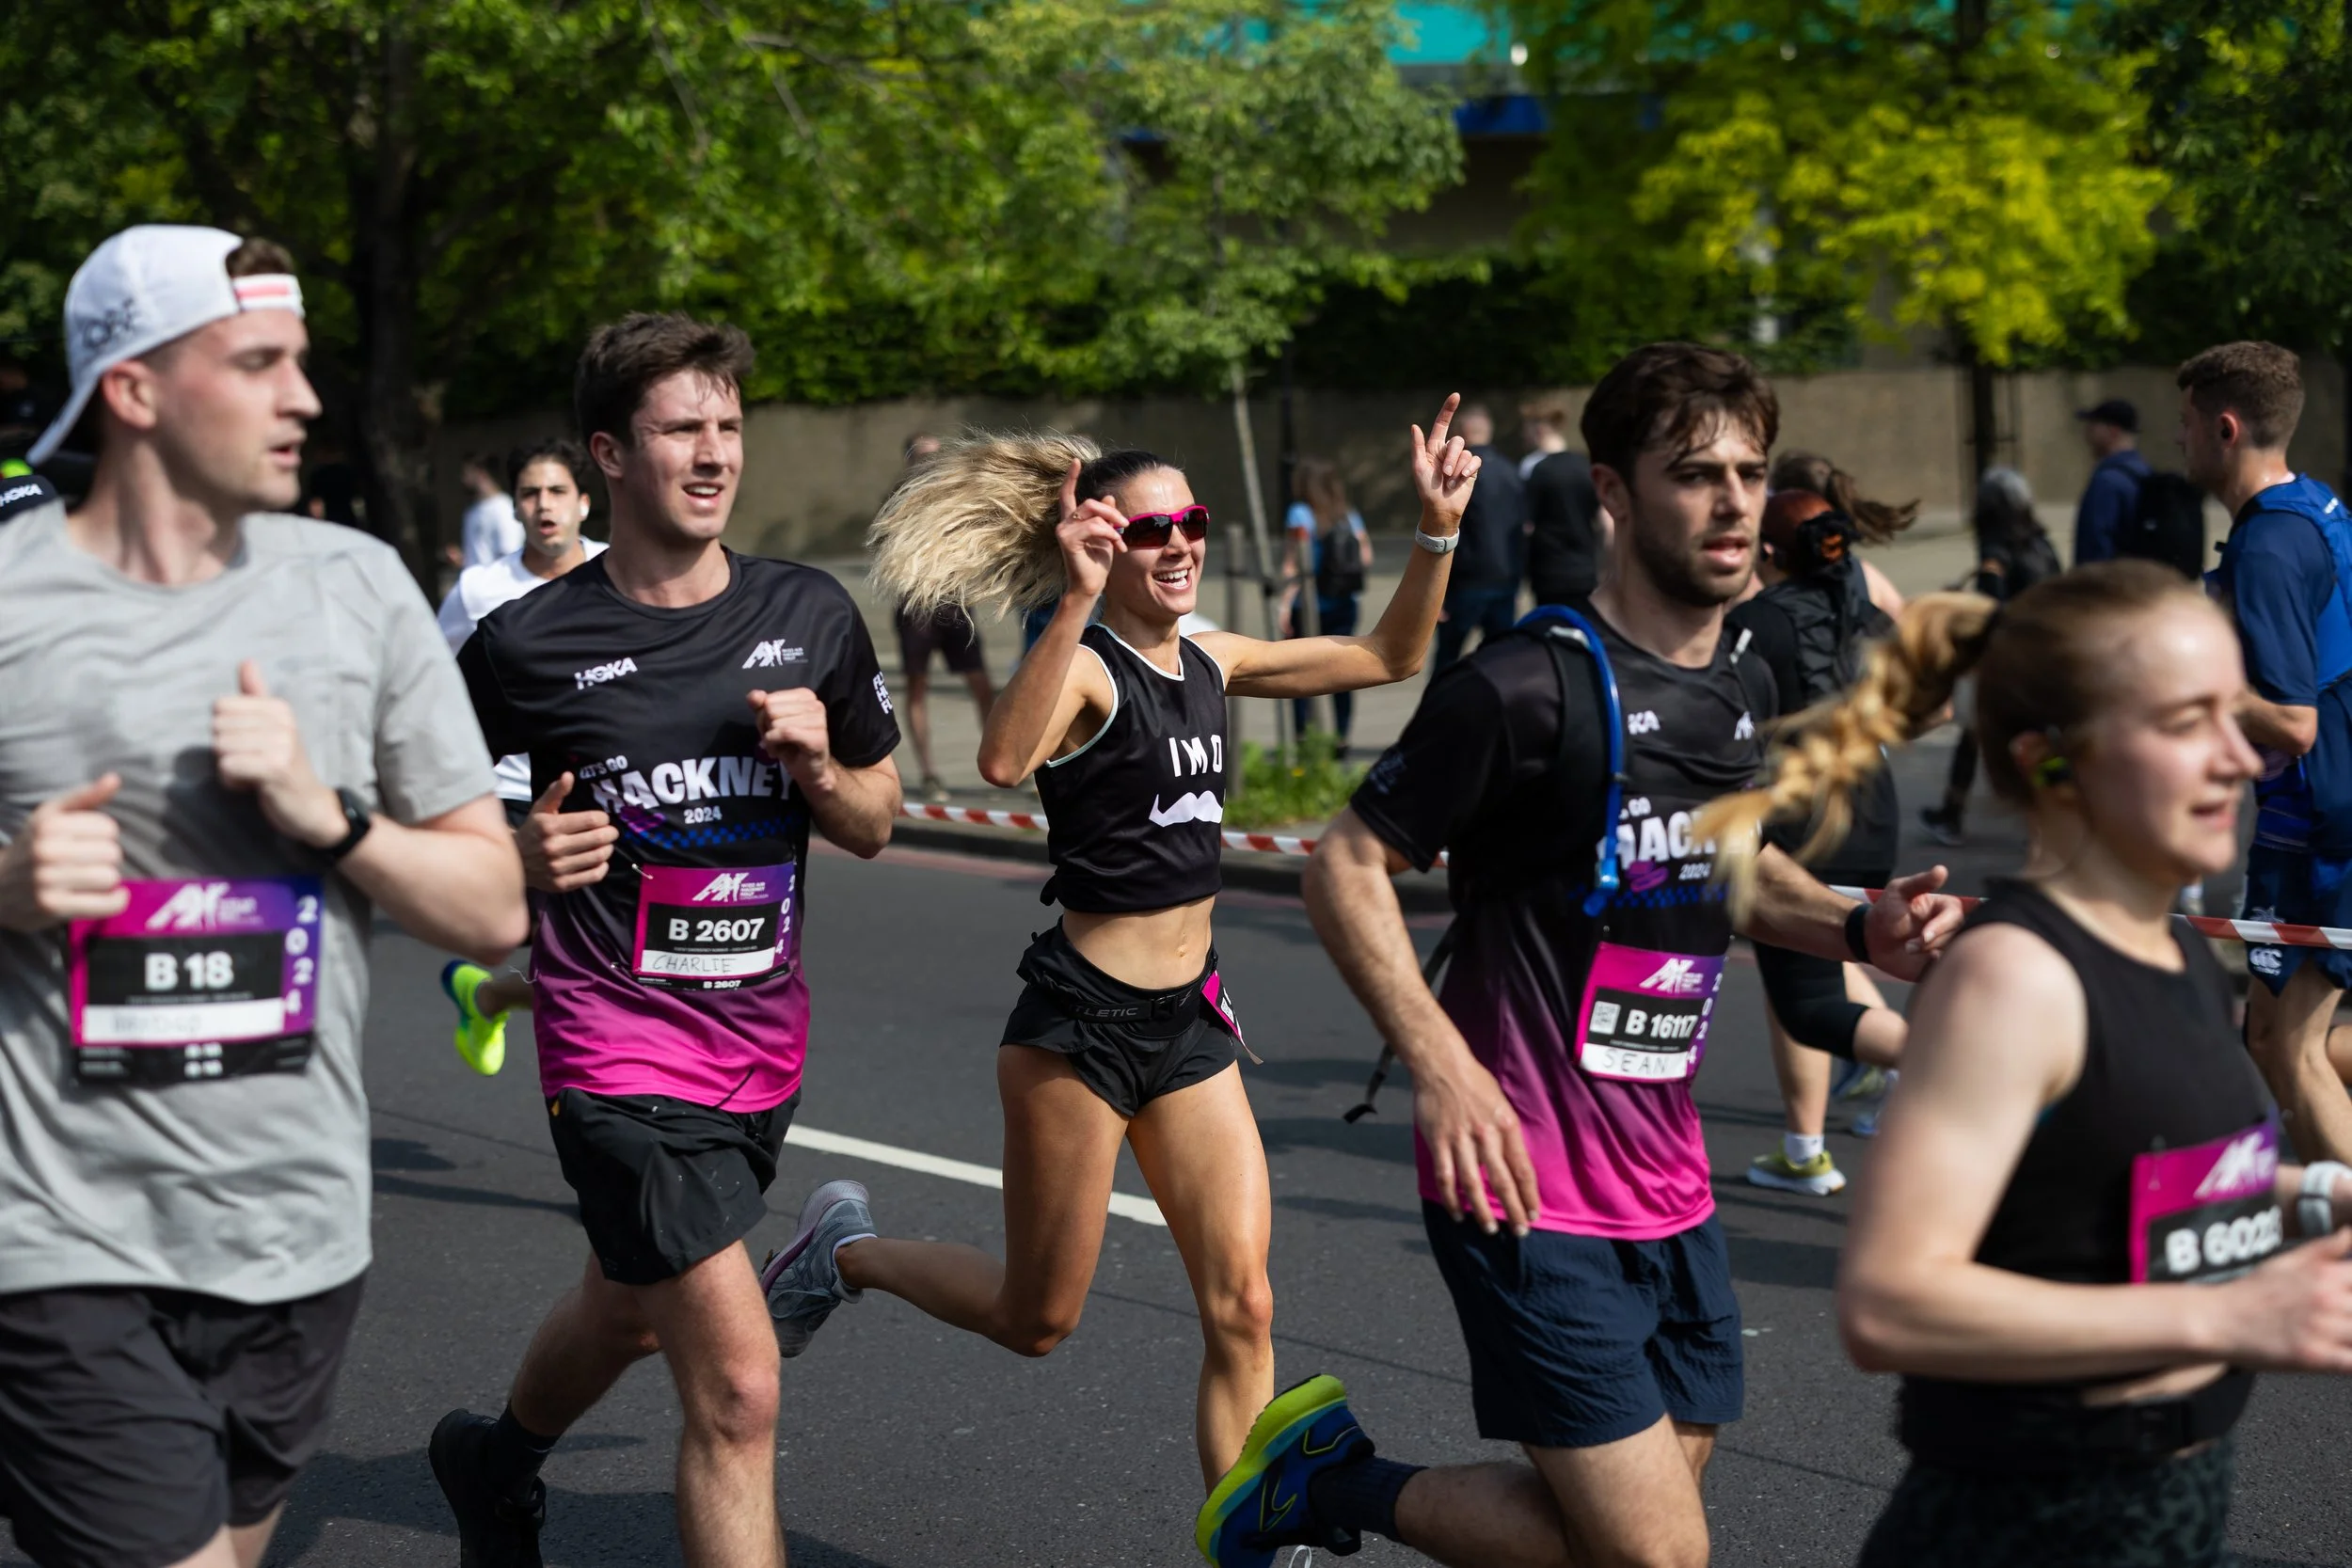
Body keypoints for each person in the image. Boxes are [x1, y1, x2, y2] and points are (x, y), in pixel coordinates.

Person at [1203, 344, 1964, 1568]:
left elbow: (1734, 865)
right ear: (1612, 491)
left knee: (1609, 1529)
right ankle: (1328, 1482)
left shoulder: (1741, 677)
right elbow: (1342, 864)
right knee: (1661, 1554)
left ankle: (1320, 1476)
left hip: (1669, 1178)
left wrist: (1860, 929)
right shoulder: (1526, 685)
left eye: (1749, 471)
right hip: (1526, 1177)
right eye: (1693, 472)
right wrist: (1442, 1067)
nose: (1731, 500)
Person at [763, 399, 1478, 1499]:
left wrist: (1434, 528)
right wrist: (1075, 601)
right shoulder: (1089, 666)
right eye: (1153, 528)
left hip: (1188, 1021)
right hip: (1080, 1027)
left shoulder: (1213, 653)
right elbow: (1003, 759)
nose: (1182, 540)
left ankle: (1243, 1534)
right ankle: (841, 1253)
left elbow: (1388, 651)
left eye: (1189, 518)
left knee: (1245, 1303)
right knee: (1035, 1317)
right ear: (1104, 543)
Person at [0, 224, 526, 1568]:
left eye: (302, 360)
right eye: (259, 362)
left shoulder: (354, 588)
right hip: (57, 1234)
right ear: (132, 389)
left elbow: (490, 912)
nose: (305, 396)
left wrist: (328, 816)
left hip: (296, 1238)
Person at [1711, 562, 2352, 1565]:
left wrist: (2323, 1197)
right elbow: (1889, 1302)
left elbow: (2151, 1181)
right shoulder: (2015, 976)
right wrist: (2226, 1309)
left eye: (2236, 714)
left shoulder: (2175, 944)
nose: (2245, 756)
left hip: (2169, 1499)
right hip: (2031, 1523)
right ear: (2049, 761)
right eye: (2187, 723)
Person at [429, 313, 902, 1568]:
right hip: (612, 1051)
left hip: (758, 1042)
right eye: (680, 428)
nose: (713, 453)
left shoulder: (810, 611)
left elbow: (875, 817)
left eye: (728, 426)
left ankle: (493, 1457)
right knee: (740, 1384)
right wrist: (515, 855)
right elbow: (413, 809)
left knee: (629, 1303)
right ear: (608, 456)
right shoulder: (529, 640)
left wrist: (817, 764)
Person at [2192, 341, 2352, 1167]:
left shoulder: (2268, 547)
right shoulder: (2313, 503)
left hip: (2327, 826)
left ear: (2224, 428)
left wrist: (2185, 686)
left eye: (2185, 426)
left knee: (2296, 1050)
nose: (2177, 442)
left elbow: (2294, 724)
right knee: (2266, 1035)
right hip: (2302, 820)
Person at [1729, 486, 1910, 1196]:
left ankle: (1950, 1060)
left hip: (1801, 831)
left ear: (1766, 551)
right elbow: (1918, 710)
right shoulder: (1868, 617)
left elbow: (1723, 720)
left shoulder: (1754, 623)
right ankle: (1804, 1147)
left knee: (1806, 1003)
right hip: (1876, 817)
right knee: (1825, 968)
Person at [435, 437, 608, 1076]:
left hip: (607, 786)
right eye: (531, 493)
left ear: (585, 503)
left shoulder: (620, 573)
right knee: (570, 951)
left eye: (558, 491)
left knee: (602, 960)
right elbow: (433, 684)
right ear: (515, 507)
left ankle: (490, 993)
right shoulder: (481, 589)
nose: (545, 505)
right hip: (510, 792)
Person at [1919, 467, 2060, 847]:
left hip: (2006, 654)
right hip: (2041, 648)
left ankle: (2058, 806)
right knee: (2015, 732)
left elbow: (1991, 594)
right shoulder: (2040, 542)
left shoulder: (1996, 544)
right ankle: (2059, 805)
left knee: (1990, 730)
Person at [891, 433, 999, 803]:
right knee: (917, 686)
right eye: (923, 457)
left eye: (937, 457)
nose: (931, 463)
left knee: (982, 685)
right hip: (916, 607)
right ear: (910, 461)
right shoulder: (899, 501)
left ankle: (1004, 761)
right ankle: (929, 774)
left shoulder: (957, 500)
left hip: (956, 605)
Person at [1279, 455, 1372, 752]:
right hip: (1345, 603)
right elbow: (1366, 556)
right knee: (1343, 672)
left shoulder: (1298, 514)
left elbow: (1292, 564)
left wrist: (1282, 605)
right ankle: (1341, 736)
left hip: (1309, 606)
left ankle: (1303, 736)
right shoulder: (1348, 514)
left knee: (1298, 671)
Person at [1430, 402, 1523, 673]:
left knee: (1447, 660)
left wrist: (1438, 593)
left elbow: (1445, 527)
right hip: (1504, 580)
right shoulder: (1512, 472)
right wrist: (1517, 581)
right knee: (1502, 660)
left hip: (1464, 583)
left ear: (1465, 431)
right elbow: (1521, 531)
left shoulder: (1460, 475)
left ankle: (1441, 712)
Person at [1522, 402, 1606, 607]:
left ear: (1539, 429)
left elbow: (1526, 526)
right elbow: (1606, 521)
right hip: (1585, 569)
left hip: (1549, 571)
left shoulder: (1534, 467)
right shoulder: (1587, 465)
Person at [2070, 397, 2152, 567]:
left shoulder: (2107, 482)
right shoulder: (2145, 474)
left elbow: (2094, 549)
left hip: (2110, 588)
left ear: (2113, 431)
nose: (2087, 433)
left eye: (2093, 426)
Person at [456, 451, 522, 569]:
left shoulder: (504, 509)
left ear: (481, 473)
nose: (463, 480)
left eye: (466, 473)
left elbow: (509, 555)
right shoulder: (471, 512)